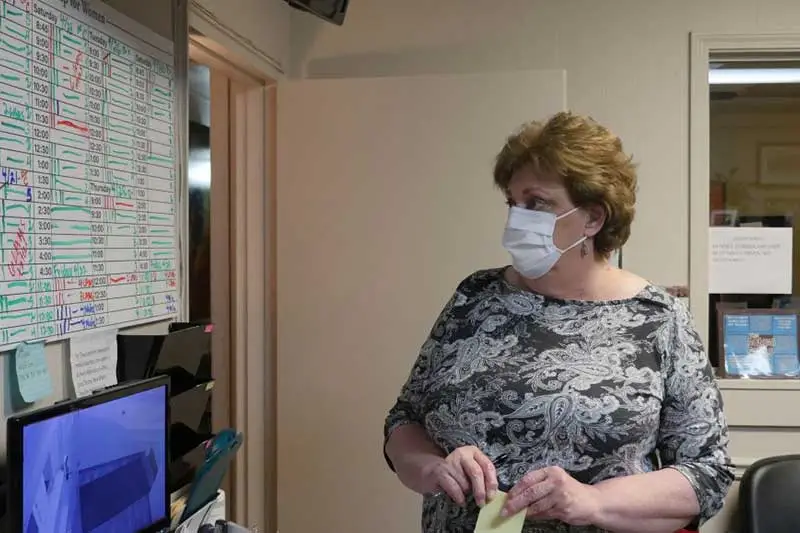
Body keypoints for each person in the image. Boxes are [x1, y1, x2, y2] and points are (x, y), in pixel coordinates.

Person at [383, 112, 734, 533]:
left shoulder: (659, 319)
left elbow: (707, 474)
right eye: (513, 203)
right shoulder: (474, 297)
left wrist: (592, 501)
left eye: (537, 203)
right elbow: (404, 420)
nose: (517, 218)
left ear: (593, 218)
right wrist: (432, 468)